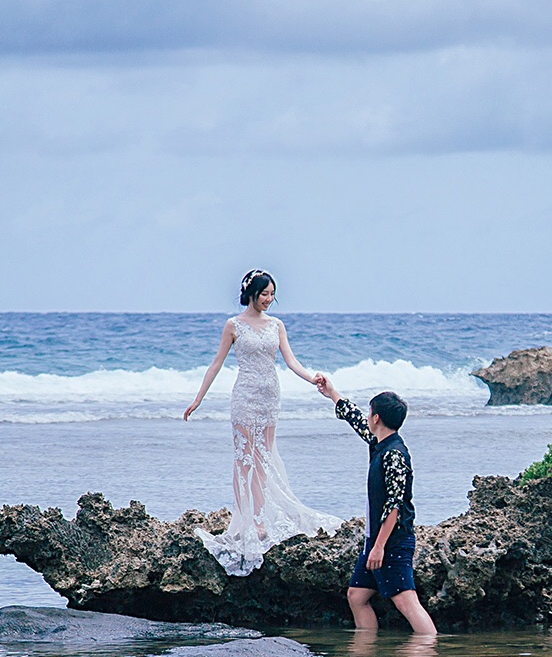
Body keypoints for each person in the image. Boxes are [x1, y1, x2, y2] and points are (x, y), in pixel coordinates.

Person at [184, 269, 338, 575]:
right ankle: (247, 519)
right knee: (244, 458)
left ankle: (259, 517)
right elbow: (216, 363)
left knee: (263, 458)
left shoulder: (276, 325)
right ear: (250, 294)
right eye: (264, 294)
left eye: (272, 294)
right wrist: (198, 399)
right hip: (244, 396)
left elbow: (291, 360)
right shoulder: (234, 325)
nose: (268, 300)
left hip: (270, 396)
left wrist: (313, 379)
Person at [314, 374, 437, 636]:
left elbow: (394, 506)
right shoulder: (380, 444)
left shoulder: (395, 454)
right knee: (357, 596)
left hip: (393, 541)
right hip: (375, 540)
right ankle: (368, 652)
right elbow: (356, 421)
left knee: (406, 602)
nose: (367, 417)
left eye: (370, 413)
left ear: (377, 418)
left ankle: (428, 651)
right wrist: (332, 393)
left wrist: (379, 547)